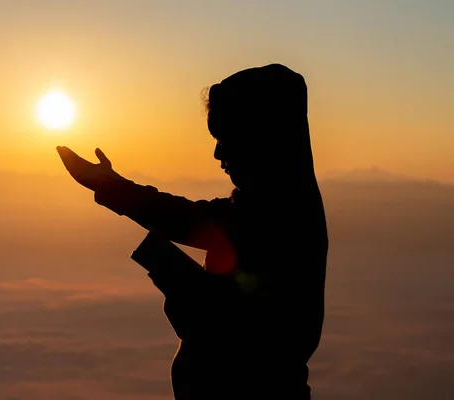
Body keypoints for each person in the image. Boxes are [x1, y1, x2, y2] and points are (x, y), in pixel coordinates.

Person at [56, 63, 328, 399]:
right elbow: (189, 219)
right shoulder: (264, 206)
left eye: (226, 138)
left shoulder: (281, 219)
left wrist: (167, 268)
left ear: (262, 138)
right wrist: (111, 186)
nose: (217, 152)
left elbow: (231, 332)